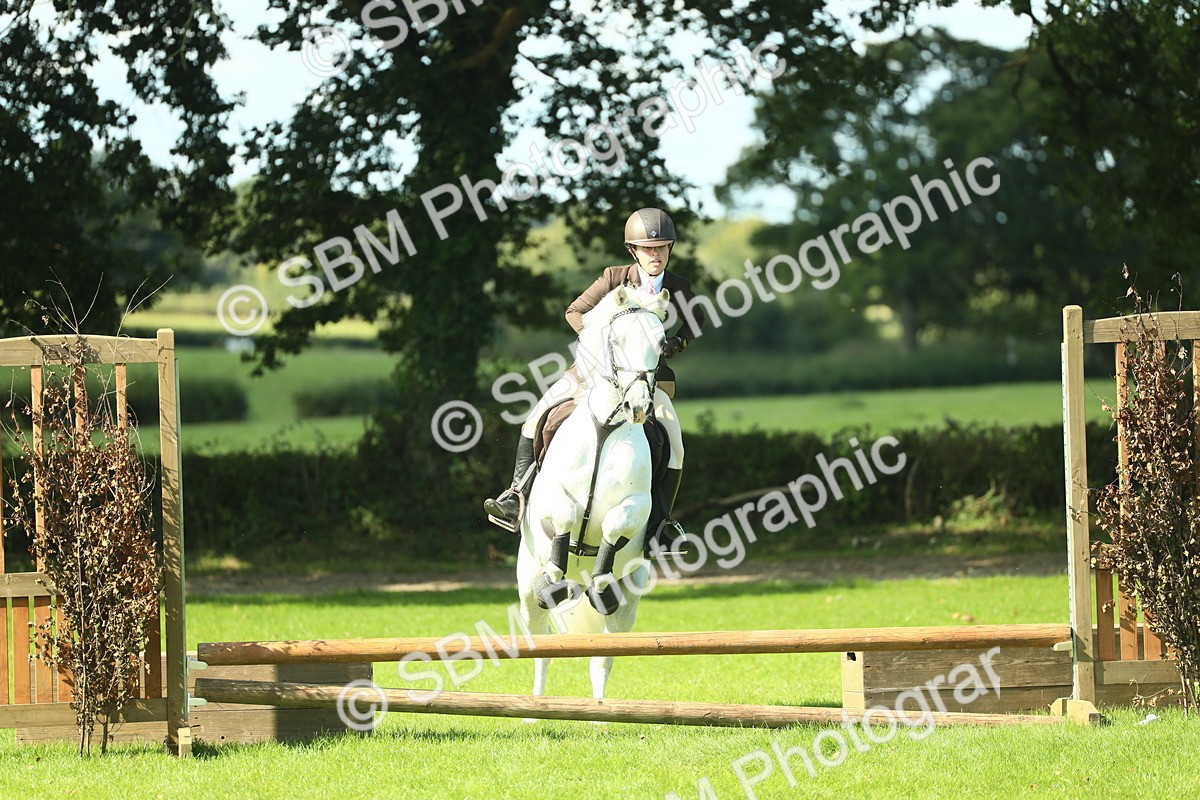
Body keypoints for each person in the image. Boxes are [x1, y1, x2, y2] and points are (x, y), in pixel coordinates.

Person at [483, 207, 705, 557]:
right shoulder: (614, 278)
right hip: (591, 372)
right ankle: (515, 497)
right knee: (534, 418)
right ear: (633, 250)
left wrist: (677, 342)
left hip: (646, 382)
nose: (656, 255)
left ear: (670, 249)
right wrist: (598, 342)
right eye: (648, 249)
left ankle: (660, 527)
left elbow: (697, 319)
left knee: (675, 445)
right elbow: (574, 311)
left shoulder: (678, 287)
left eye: (662, 248)